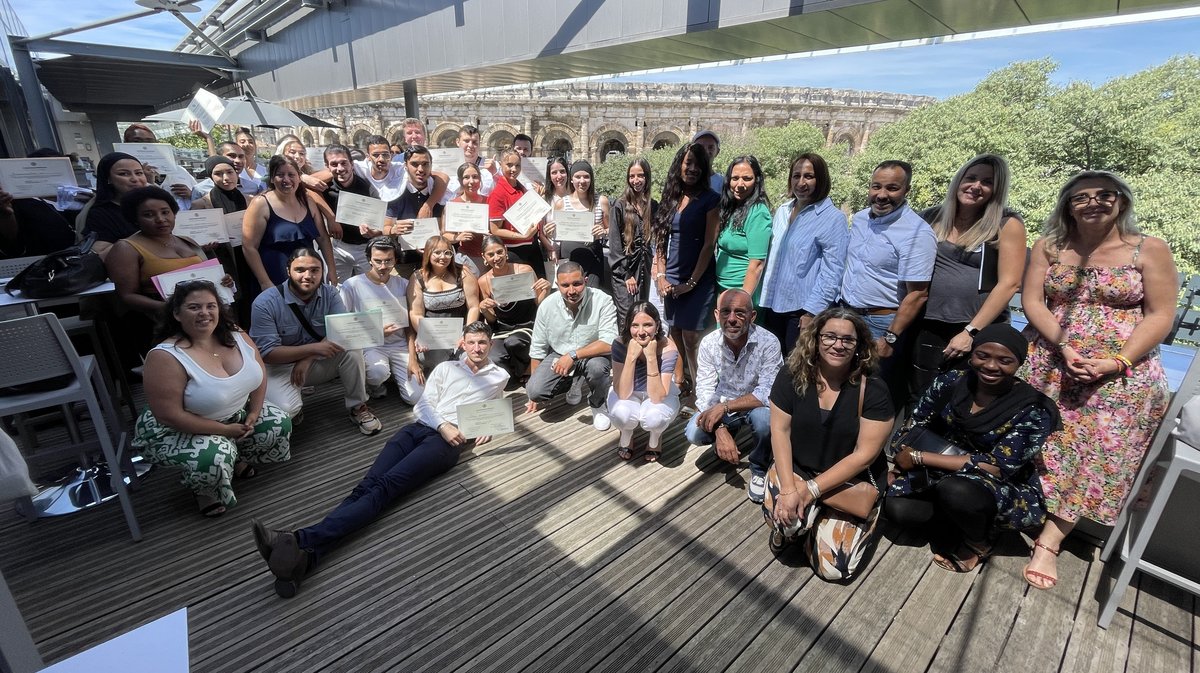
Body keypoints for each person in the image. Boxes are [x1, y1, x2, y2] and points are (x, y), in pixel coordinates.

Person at [250, 320, 508, 598]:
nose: (477, 348)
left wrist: (487, 427)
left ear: (490, 344)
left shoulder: (499, 376)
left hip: (445, 444)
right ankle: (305, 559)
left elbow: (495, 405)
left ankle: (298, 539)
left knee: (384, 489)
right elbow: (423, 404)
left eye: (483, 342)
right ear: (462, 344)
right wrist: (443, 424)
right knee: (366, 486)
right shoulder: (446, 368)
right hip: (420, 428)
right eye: (472, 342)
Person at [1020, 171, 1177, 590]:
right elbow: (1033, 300)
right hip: (1050, 360)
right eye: (1081, 197)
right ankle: (1015, 508)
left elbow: (1161, 314)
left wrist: (1117, 361)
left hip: (1117, 375)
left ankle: (1050, 541)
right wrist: (1064, 345)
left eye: (1104, 195)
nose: (1093, 203)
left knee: (1090, 452)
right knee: (1035, 438)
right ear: (1067, 206)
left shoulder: (1149, 249)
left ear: (1121, 201)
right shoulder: (1050, 246)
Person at [885, 324, 1059, 572]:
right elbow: (915, 421)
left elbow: (997, 466)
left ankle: (979, 542)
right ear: (972, 353)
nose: (990, 366)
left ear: (1019, 363)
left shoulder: (1033, 409)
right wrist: (903, 457)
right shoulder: (953, 381)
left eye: (1004, 360)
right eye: (983, 355)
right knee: (897, 509)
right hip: (937, 471)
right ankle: (960, 521)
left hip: (993, 484)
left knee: (957, 491)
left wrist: (920, 458)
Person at [133, 280, 291, 517]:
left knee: (277, 422)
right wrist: (224, 431)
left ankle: (235, 456)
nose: (204, 313)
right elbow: (170, 416)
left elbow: (259, 374)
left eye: (211, 306)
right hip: (179, 428)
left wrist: (254, 412)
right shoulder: (165, 356)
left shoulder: (236, 334)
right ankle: (205, 488)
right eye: (194, 307)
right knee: (214, 456)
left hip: (233, 413)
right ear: (176, 313)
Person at [763, 307, 893, 581]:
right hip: (798, 470)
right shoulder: (791, 376)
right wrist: (788, 489)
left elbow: (865, 455)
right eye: (830, 336)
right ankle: (802, 526)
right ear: (816, 339)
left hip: (848, 481)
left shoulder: (874, 390)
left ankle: (820, 528)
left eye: (848, 340)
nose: (838, 345)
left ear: (859, 347)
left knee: (834, 569)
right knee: (789, 524)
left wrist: (813, 490)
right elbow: (779, 432)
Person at [909, 154, 1027, 407]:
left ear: (996, 190)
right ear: (958, 180)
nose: (976, 186)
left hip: (972, 329)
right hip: (926, 325)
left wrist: (970, 332)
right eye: (971, 178)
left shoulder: (1006, 224)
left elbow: (1010, 284)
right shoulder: (931, 217)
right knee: (918, 396)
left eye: (987, 182)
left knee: (959, 399)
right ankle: (909, 445)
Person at [249, 248, 382, 434]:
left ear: (322, 271)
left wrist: (308, 357)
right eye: (300, 270)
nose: (307, 276)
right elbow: (268, 353)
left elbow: (342, 329)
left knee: (352, 348)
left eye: (314, 270)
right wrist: (314, 349)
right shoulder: (265, 303)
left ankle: (358, 406)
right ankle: (296, 406)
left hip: (315, 361)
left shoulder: (330, 293)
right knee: (286, 410)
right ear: (288, 271)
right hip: (280, 366)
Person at [839, 160, 936, 403]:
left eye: (892, 188)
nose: (882, 195)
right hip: (847, 314)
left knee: (871, 394)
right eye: (876, 187)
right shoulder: (861, 219)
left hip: (881, 323)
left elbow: (918, 294)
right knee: (842, 388)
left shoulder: (917, 233)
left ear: (906, 191)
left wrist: (890, 337)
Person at [685, 289, 784, 502]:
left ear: (752, 316)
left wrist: (724, 408)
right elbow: (704, 389)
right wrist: (719, 429)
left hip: (755, 405)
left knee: (765, 421)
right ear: (716, 315)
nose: (731, 319)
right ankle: (728, 433)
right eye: (726, 312)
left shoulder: (769, 342)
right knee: (694, 432)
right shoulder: (709, 343)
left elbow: (768, 392)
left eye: (740, 313)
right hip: (724, 401)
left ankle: (759, 467)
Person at [759, 153, 848, 355]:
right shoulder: (783, 211)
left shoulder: (832, 219)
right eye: (796, 176)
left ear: (821, 179)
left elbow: (832, 272)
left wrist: (812, 312)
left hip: (801, 311)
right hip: (773, 305)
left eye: (808, 176)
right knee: (772, 365)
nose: (801, 182)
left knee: (797, 369)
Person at [651, 142, 720, 402]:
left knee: (692, 336)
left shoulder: (710, 200)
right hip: (671, 277)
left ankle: (702, 389)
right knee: (676, 331)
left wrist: (691, 283)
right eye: (688, 163)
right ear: (680, 164)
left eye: (697, 165)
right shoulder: (671, 197)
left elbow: (708, 244)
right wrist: (660, 275)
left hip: (698, 278)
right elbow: (659, 240)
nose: (692, 169)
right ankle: (680, 381)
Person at [526, 261, 618, 430]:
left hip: (594, 355)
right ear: (557, 285)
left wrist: (573, 355)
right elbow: (537, 348)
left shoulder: (603, 300)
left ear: (586, 280)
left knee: (597, 368)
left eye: (577, 284)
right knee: (535, 390)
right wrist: (533, 388)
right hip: (560, 354)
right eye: (565, 285)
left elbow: (610, 343)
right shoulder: (547, 305)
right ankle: (575, 379)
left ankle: (598, 404)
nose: (571, 291)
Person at [339, 237, 423, 404]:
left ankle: (393, 374)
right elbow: (344, 324)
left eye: (388, 261)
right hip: (370, 345)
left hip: (400, 345)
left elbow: (409, 325)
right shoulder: (352, 286)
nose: (383, 266)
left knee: (416, 397)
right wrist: (374, 331)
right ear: (369, 259)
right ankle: (375, 384)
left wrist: (413, 359)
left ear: (396, 260)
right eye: (377, 261)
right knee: (377, 373)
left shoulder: (405, 284)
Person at [242, 155, 337, 291]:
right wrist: (265, 282)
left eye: (291, 175)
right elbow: (249, 247)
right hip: (274, 278)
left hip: (308, 278)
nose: (286, 180)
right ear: (272, 179)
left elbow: (323, 239)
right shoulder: (260, 204)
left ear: (299, 177)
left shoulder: (308, 201)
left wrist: (331, 270)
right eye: (280, 175)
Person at [476, 235, 552, 386]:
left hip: (527, 323)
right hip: (502, 327)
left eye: (499, 252)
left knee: (514, 342)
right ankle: (520, 372)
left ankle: (528, 369)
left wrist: (547, 290)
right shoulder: (483, 281)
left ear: (505, 250)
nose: (496, 258)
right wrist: (484, 309)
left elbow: (538, 302)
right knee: (493, 355)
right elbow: (491, 319)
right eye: (491, 254)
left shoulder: (524, 269)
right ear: (484, 257)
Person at [609, 302, 681, 462]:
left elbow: (657, 397)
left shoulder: (668, 347)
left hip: (659, 393)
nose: (640, 332)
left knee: (655, 417)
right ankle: (626, 432)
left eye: (647, 325)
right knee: (621, 413)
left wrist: (650, 357)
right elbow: (622, 393)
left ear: (657, 326)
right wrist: (630, 356)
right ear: (628, 326)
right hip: (628, 393)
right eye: (635, 325)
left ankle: (656, 437)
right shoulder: (619, 344)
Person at [407, 235, 481, 373]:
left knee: (468, 361)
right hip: (433, 335)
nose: (443, 257)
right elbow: (415, 313)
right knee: (438, 366)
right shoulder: (418, 278)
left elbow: (474, 307)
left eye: (448, 252)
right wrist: (424, 335)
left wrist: (467, 334)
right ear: (428, 253)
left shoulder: (463, 273)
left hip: (461, 332)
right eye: (437, 252)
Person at [319, 143, 382, 281]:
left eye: (344, 163)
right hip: (339, 247)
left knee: (367, 289)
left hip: (364, 247)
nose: (340, 168)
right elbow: (306, 190)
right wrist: (331, 217)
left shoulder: (367, 187)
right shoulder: (324, 188)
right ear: (327, 166)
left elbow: (380, 224)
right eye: (334, 164)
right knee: (339, 289)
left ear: (352, 164)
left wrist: (373, 232)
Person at [488, 148, 551, 279]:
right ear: (500, 164)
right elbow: (495, 230)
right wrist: (522, 236)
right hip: (513, 251)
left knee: (540, 286)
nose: (514, 169)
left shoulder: (520, 186)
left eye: (517, 165)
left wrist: (536, 199)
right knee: (523, 293)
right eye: (509, 165)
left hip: (532, 247)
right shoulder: (498, 194)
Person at [714, 155, 772, 296]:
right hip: (722, 289)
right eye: (735, 178)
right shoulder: (731, 208)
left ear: (757, 181)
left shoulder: (758, 213)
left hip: (742, 292)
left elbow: (757, 265)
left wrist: (742, 300)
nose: (740, 184)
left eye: (747, 178)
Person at [608, 158, 656, 326]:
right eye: (632, 176)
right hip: (625, 274)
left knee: (645, 315)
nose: (636, 180)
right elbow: (614, 244)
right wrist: (626, 274)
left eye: (641, 175)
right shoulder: (619, 206)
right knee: (628, 318)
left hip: (647, 271)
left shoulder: (653, 206)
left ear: (647, 177)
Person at [78, 152, 148, 258]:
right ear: (108, 179)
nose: (135, 179)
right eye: (124, 174)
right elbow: (100, 255)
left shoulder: (154, 203)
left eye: (139, 173)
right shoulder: (100, 214)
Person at [555, 160, 609, 288]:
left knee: (592, 293)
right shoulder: (561, 203)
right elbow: (557, 235)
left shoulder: (601, 201)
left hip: (593, 256)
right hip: (569, 257)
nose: (582, 181)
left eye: (586, 176)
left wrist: (604, 232)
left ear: (591, 179)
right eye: (577, 177)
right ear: (571, 179)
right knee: (571, 295)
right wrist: (549, 232)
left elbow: (610, 228)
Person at [0, 187, 75, 258]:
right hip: (44, 261)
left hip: (73, 255)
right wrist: (7, 215)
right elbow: (12, 243)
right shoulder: (19, 203)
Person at [443, 162, 488, 271]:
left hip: (491, 256)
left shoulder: (489, 201)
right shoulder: (453, 205)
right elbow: (444, 234)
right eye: (466, 177)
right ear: (460, 181)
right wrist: (457, 238)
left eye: (475, 177)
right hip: (467, 258)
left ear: (480, 179)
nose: (471, 181)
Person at [190, 142, 266, 203]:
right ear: (218, 157)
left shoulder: (252, 187)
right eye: (232, 156)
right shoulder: (200, 190)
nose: (238, 161)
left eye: (241, 156)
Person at [443, 125, 495, 198]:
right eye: (466, 141)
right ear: (458, 142)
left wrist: (495, 174)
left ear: (479, 144)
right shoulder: (445, 167)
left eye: (474, 142)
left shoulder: (491, 166)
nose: (470, 145)